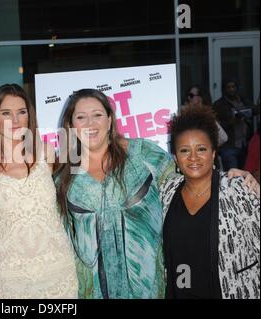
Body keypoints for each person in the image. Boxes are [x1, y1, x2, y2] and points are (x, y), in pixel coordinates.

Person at [54, 88, 259, 299]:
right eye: (81, 117)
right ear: (71, 125)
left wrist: (231, 179)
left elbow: (188, 174)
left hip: (149, 290)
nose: (90, 123)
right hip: (92, 292)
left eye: (97, 115)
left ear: (109, 120)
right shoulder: (63, 178)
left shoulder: (142, 155)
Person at [0, 83, 78, 298]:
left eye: (21, 112)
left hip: (58, 269)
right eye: (6, 113)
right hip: (11, 275)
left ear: (29, 116)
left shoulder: (46, 153)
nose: (15, 120)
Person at [161, 104, 260, 299]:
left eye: (201, 149)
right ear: (175, 158)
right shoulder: (166, 191)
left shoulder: (237, 189)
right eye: (184, 151)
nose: (193, 158)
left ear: (213, 153)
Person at [212, 79, 255, 170]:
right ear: (224, 89)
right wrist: (232, 120)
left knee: (244, 176)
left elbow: (254, 110)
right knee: (233, 177)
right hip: (229, 146)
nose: (231, 89)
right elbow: (217, 126)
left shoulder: (242, 100)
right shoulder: (219, 104)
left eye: (233, 86)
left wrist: (246, 112)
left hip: (244, 144)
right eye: (228, 87)